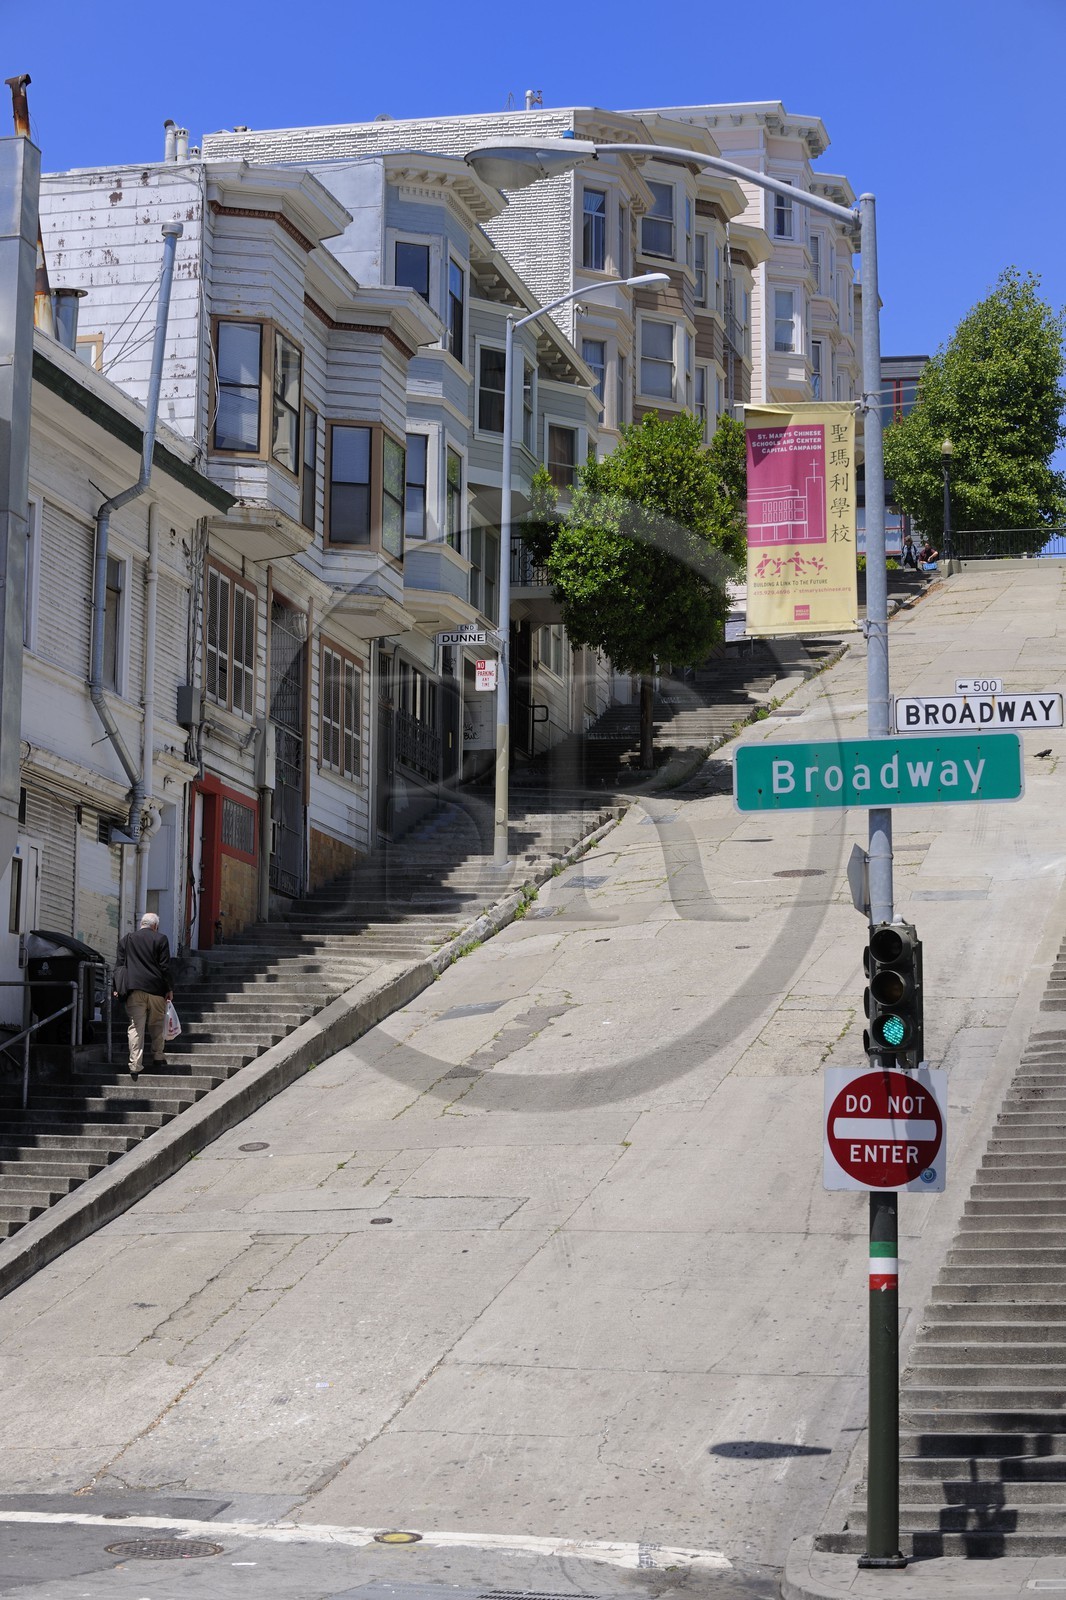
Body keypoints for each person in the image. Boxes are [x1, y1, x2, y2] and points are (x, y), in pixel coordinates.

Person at [115, 912, 173, 1079]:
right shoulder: (160, 939)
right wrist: (169, 988)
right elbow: (165, 967)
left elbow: (119, 965)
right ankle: (158, 1056)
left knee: (135, 1027)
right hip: (156, 989)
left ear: (141, 924)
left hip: (134, 989)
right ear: (155, 926)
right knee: (156, 1024)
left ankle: (135, 1065)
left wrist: (117, 987)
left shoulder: (126, 939)